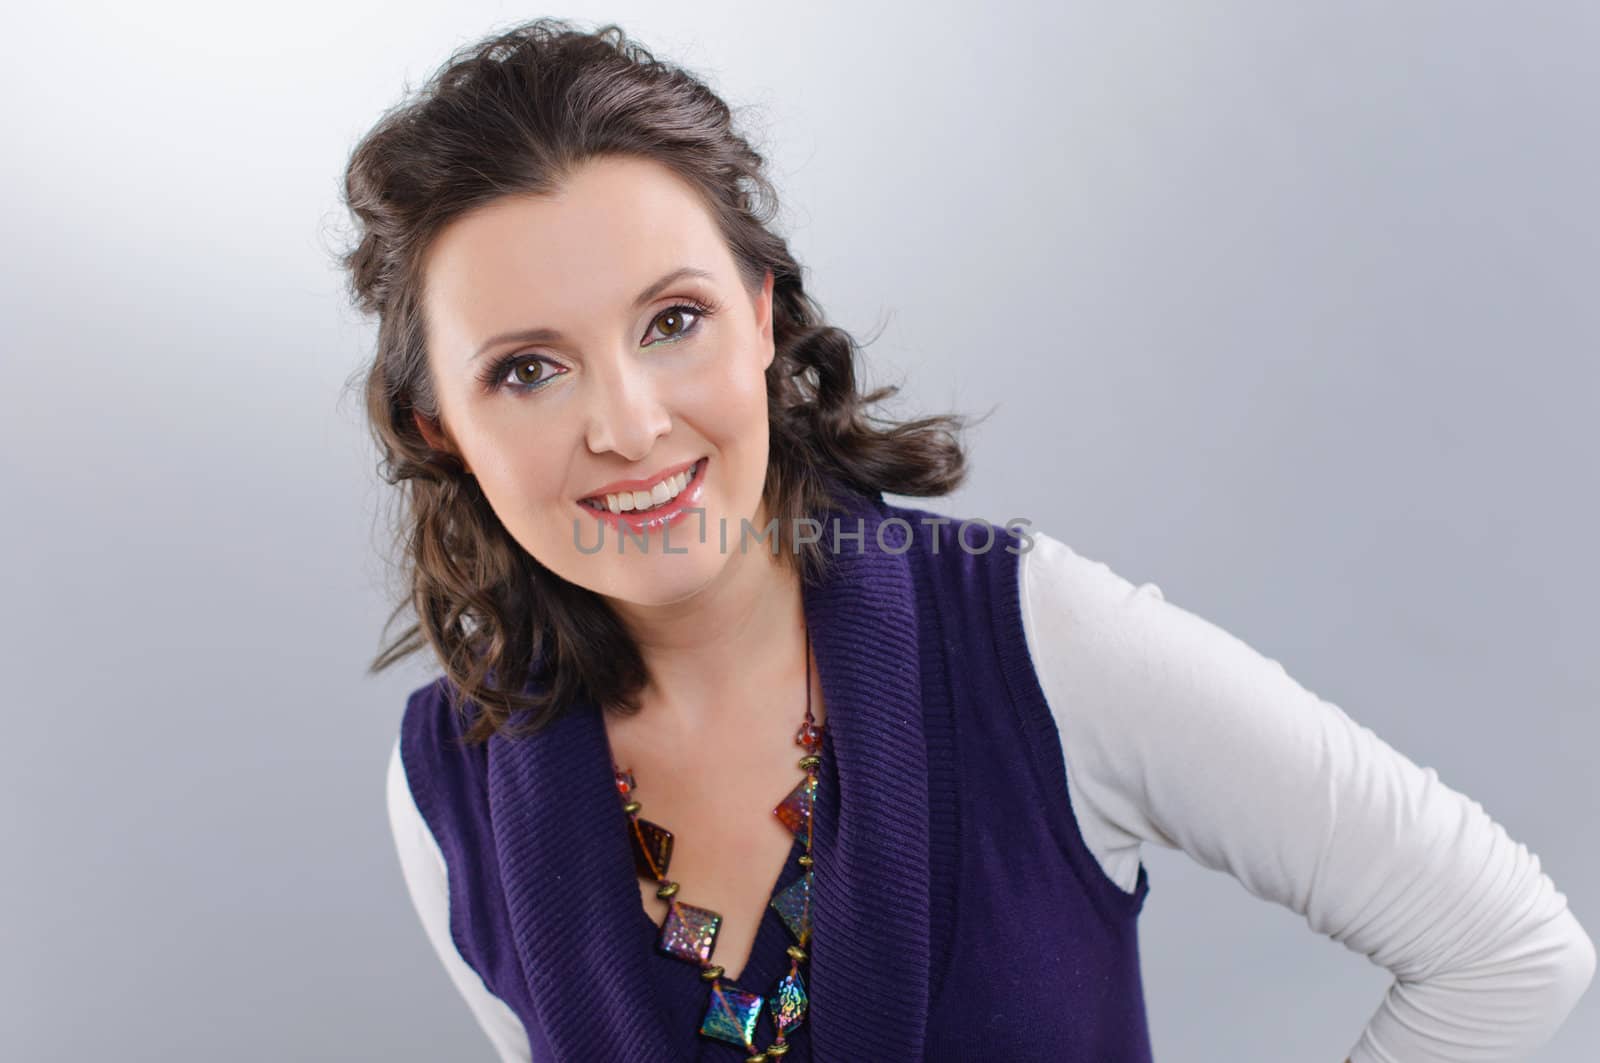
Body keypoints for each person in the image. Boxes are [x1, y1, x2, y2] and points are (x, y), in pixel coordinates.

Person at [340, 17, 1595, 1062]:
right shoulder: (445, 785)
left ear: (764, 317)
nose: (627, 422)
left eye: (672, 320)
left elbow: (1506, 947)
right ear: (437, 423)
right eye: (527, 370)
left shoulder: (1032, 637)